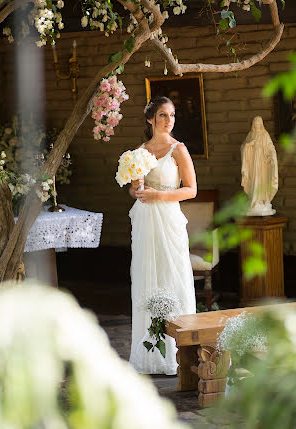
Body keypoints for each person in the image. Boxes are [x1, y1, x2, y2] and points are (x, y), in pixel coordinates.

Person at [128, 96, 197, 375]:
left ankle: (180, 353)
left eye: (172, 115)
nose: (169, 121)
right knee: (147, 278)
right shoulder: (140, 151)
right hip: (146, 222)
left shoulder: (178, 149)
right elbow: (134, 189)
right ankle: (151, 354)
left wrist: (159, 195)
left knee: (173, 278)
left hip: (169, 221)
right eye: (162, 116)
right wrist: (138, 191)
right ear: (150, 119)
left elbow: (191, 190)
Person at [241, 116, 278, 216]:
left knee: (262, 180)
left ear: (261, 124)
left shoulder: (265, 135)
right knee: (254, 180)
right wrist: (249, 145)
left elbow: (270, 147)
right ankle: (254, 200)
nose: (257, 125)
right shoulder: (250, 134)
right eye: (255, 123)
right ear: (253, 124)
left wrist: (272, 155)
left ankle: (262, 200)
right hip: (253, 163)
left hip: (263, 163)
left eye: (259, 123)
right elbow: (243, 147)